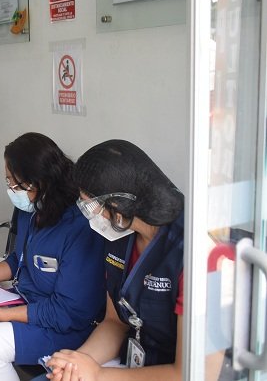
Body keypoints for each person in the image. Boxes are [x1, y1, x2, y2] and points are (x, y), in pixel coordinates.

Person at [0, 132, 106, 381]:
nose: (12, 191)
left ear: (43, 181)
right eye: (8, 182)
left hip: (65, 327)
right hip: (26, 304)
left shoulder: (79, 227)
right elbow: (19, 261)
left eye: (17, 185)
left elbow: (69, 312)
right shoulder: (30, 210)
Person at [46, 139, 185, 381]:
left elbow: (188, 372)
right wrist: (77, 364)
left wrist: (98, 374)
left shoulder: (191, 253)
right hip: (134, 362)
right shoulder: (118, 234)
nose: (91, 216)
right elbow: (115, 322)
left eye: (90, 206)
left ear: (117, 206)